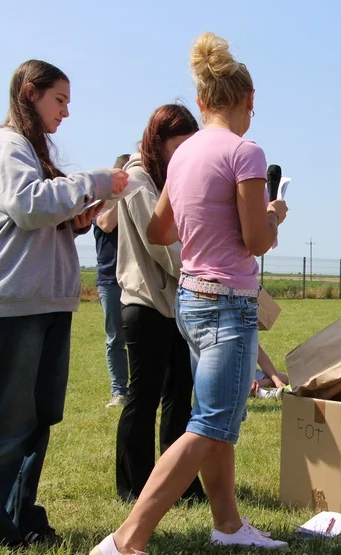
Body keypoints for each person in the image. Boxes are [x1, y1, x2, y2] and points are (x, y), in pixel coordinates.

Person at [92, 33, 289, 554]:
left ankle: (227, 525)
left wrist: (205, 219)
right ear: (248, 101)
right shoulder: (247, 152)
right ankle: (126, 538)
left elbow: (161, 232)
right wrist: (272, 215)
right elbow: (256, 241)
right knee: (210, 423)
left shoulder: (181, 157)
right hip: (229, 304)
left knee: (215, 417)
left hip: (190, 303)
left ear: (202, 103)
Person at [0, 60, 126, 548]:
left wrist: (74, 220)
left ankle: (18, 515)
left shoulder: (29, 151)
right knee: (7, 420)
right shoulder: (6, 144)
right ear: (30, 93)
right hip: (13, 306)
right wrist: (95, 182)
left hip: (45, 303)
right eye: (60, 100)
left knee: (37, 418)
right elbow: (28, 206)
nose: (66, 112)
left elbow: (35, 216)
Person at [113, 104, 205, 504]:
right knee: (144, 395)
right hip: (144, 303)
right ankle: (134, 486)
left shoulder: (171, 179)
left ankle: (178, 482)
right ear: (157, 141)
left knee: (179, 395)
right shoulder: (136, 179)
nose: (183, 154)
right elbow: (162, 244)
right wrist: (204, 265)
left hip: (175, 303)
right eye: (178, 146)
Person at [94, 154, 131, 408]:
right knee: (115, 338)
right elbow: (106, 225)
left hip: (136, 278)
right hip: (110, 280)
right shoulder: (103, 203)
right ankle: (119, 390)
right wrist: (123, 194)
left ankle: (144, 389)